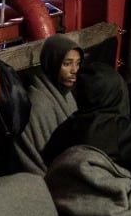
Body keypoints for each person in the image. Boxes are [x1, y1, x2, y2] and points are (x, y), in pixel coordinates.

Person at [13, 33, 82, 174]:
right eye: (67, 64)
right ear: (53, 63)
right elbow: (41, 158)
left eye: (78, 63)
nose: (74, 70)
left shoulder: (66, 93)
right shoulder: (37, 103)